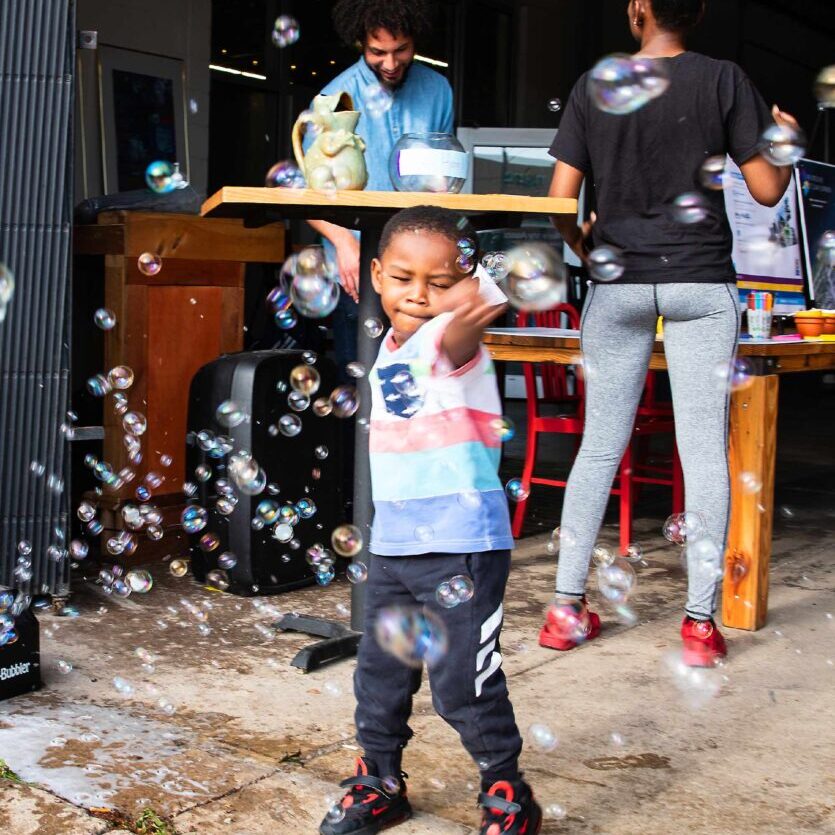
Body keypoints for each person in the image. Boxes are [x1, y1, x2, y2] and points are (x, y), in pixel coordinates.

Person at [541, 0, 800, 666]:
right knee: (703, 449)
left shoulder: (594, 85)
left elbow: (554, 203)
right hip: (699, 282)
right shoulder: (723, 79)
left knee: (598, 446)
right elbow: (768, 190)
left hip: (617, 283)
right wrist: (786, 144)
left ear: (636, 8)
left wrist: (586, 244)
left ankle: (564, 610)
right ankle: (698, 626)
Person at [318, 207, 541, 835]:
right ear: (375, 278)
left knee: (461, 684)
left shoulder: (452, 344)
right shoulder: (390, 349)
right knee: (379, 675)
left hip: (461, 547)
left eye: (438, 282)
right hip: (393, 547)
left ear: (460, 285)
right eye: (405, 279)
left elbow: (479, 302)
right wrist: (336, 230)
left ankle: (506, 788)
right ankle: (380, 780)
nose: (419, 295)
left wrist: (475, 285)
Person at [307, 0, 454, 377]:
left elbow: (441, 173)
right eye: (378, 52)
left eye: (401, 49)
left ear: (415, 39)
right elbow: (307, 193)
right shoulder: (332, 100)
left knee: (421, 379)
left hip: (419, 265)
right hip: (357, 268)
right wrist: (343, 242)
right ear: (360, 43)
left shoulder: (438, 90)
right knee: (360, 380)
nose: (390, 63)